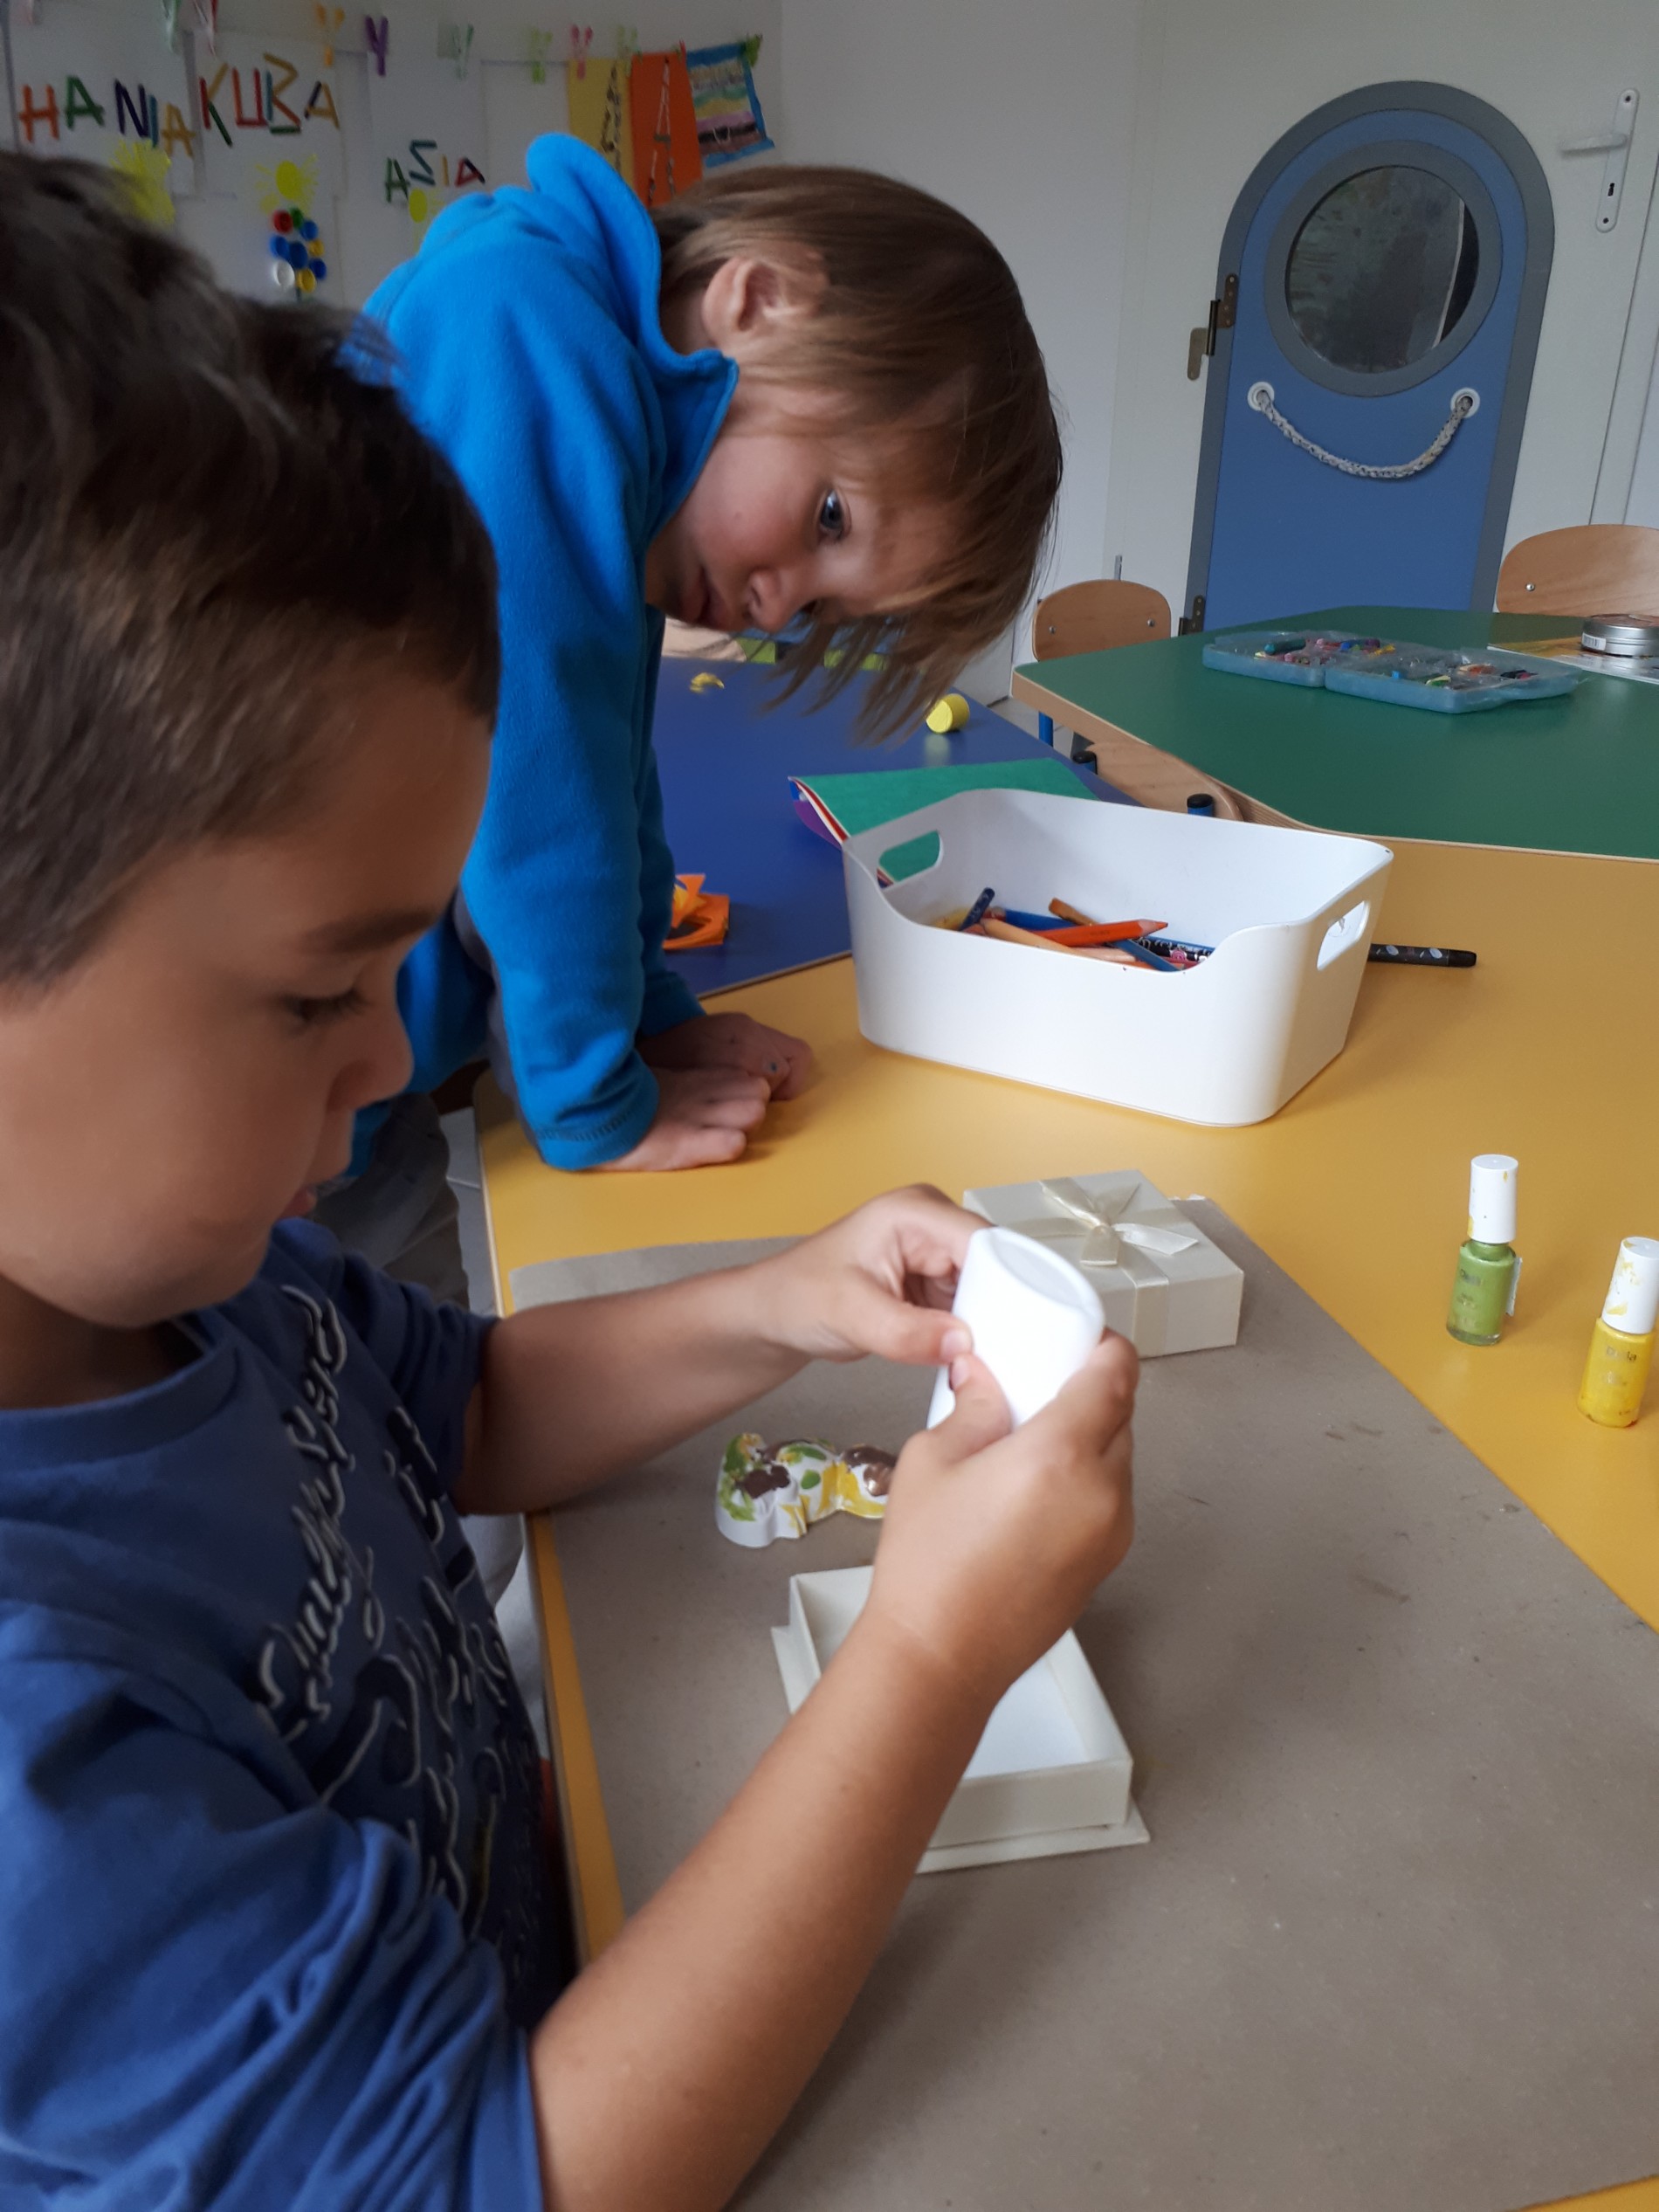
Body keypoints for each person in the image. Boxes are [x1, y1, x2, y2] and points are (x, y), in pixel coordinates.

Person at [0, 159, 1132, 2211]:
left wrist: (779, 1300)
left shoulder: (190, 1273)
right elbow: (505, 2174)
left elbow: (449, 1407)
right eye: (317, 991)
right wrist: (922, 1664)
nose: (392, 1063)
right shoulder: (34, 1758)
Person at [323, 138, 1063, 1287]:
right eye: (828, 518)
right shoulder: (526, 337)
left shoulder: (585, 388)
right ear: (756, 301)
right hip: (247, 1091)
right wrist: (593, 1100)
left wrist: (649, 1015)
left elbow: (612, 763)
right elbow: (536, 784)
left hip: (349, 1080)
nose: (781, 606)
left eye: (827, 609)